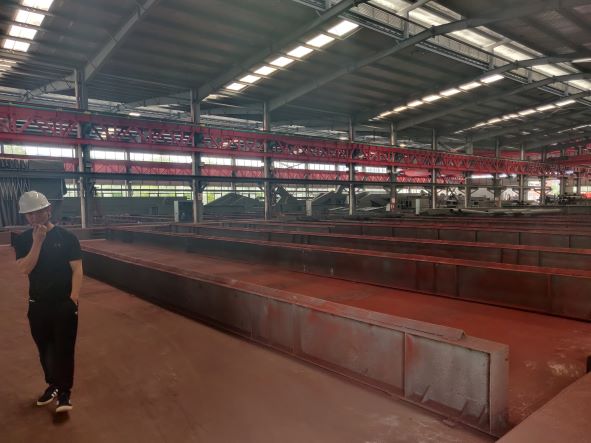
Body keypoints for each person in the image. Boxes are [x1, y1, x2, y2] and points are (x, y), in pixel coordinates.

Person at [13, 191, 83, 414]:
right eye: (29, 214)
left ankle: (64, 393)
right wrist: (38, 242)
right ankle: (52, 385)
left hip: (63, 304)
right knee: (45, 349)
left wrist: (73, 299)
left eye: (38, 212)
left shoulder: (67, 238)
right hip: (38, 305)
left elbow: (77, 270)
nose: (33, 217)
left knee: (64, 349)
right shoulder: (23, 240)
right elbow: (25, 268)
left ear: (48, 210)